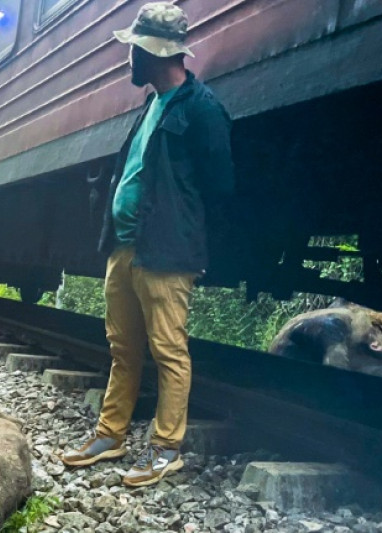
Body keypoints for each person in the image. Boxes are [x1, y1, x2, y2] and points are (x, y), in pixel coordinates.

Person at [61, 2, 234, 487]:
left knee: (168, 350)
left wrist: (191, 246)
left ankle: (165, 449)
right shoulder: (151, 105)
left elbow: (220, 188)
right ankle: (110, 435)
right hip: (126, 246)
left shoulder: (202, 109)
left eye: (133, 50)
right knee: (123, 347)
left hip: (166, 252)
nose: (127, 59)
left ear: (155, 53)